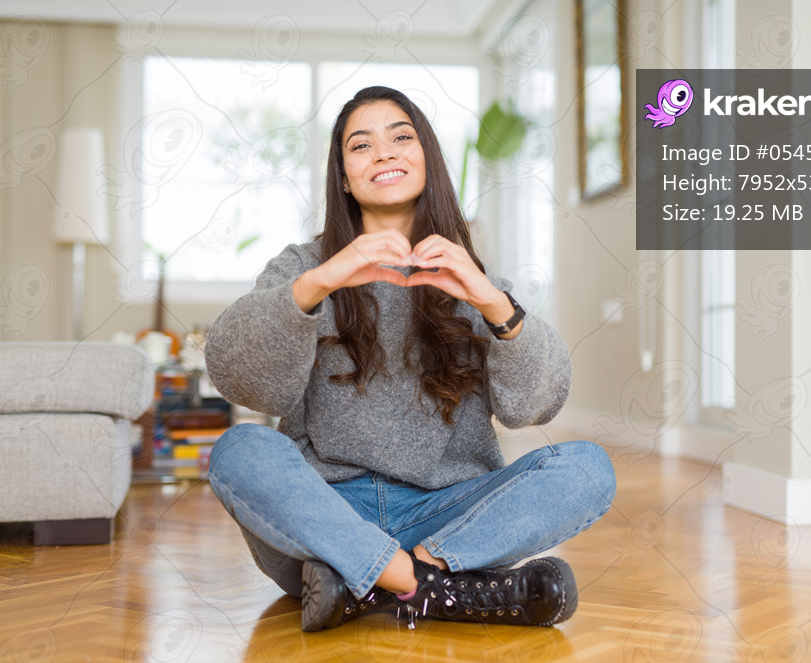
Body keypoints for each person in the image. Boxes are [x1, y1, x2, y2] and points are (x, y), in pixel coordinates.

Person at [205, 85, 616, 632]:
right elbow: (241, 378)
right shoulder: (302, 268)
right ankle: (434, 589)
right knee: (239, 449)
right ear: (344, 177)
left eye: (401, 137)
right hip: (321, 517)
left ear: (427, 159)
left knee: (589, 468)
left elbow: (534, 406)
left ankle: (376, 581)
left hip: (444, 520)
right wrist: (323, 280)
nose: (384, 153)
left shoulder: (474, 279)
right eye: (361, 145)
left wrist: (494, 302)